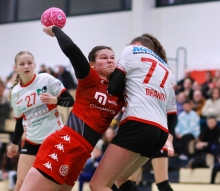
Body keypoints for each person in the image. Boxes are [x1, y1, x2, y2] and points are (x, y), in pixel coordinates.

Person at [19, 26, 124, 191]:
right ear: (92, 65)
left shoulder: (119, 94)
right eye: (104, 57)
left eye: (112, 57)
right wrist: (55, 30)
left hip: (82, 154)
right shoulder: (90, 79)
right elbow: (71, 50)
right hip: (64, 144)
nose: (110, 60)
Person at [90, 34, 177, 191]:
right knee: (121, 178)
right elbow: (170, 110)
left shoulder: (132, 50)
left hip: (138, 124)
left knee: (98, 184)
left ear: (137, 44)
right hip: (160, 132)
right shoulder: (166, 68)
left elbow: (114, 88)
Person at [7, 51, 74, 191]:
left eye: (29, 63)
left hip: (54, 140)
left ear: (34, 65)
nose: (26, 66)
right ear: (16, 68)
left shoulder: (46, 79)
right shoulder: (15, 93)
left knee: (58, 186)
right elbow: (20, 121)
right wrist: (14, 143)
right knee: (20, 184)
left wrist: (55, 100)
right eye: (22, 64)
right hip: (32, 142)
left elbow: (70, 101)